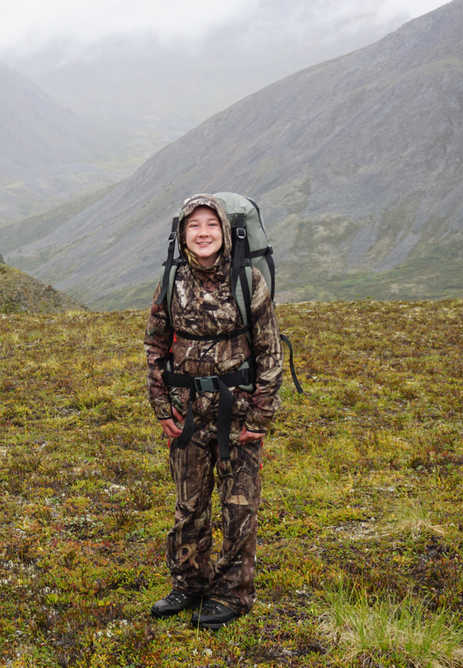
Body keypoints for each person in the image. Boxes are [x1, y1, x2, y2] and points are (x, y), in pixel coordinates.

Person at [143, 194, 282, 630]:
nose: (203, 234)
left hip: (238, 417)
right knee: (189, 506)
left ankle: (232, 593)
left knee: (238, 507)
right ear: (183, 235)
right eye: (193, 226)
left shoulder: (248, 280)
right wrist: (161, 406)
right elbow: (154, 346)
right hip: (186, 418)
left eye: (211, 225)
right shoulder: (170, 282)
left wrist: (259, 419)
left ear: (225, 231)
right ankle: (190, 582)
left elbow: (269, 354)